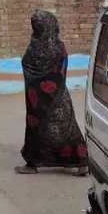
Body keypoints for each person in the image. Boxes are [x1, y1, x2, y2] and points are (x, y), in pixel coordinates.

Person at [16, 10, 88, 175]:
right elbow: (61, 72)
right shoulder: (58, 47)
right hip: (59, 97)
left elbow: (27, 66)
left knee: (37, 128)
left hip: (37, 101)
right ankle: (82, 162)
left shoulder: (34, 49)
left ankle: (32, 164)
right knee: (67, 127)